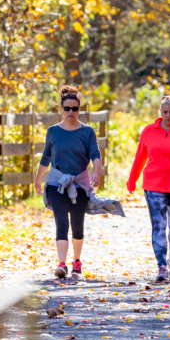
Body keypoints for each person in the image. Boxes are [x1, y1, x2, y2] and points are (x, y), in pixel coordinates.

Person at [126, 95, 170, 282]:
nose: (168, 115)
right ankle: (161, 265)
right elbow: (140, 157)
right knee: (159, 226)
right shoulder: (149, 131)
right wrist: (132, 179)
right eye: (165, 112)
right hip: (154, 185)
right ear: (160, 112)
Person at [34, 85, 103, 279]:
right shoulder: (53, 131)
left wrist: (96, 172)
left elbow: (95, 154)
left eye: (74, 108)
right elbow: (46, 156)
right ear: (61, 109)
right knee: (61, 222)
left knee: (78, 223)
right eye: (67, 108)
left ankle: (77, 260)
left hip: (80, 182)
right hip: (56, 182)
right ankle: (62, 264)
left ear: (79, 109)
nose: (70, 112)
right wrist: (38, 178)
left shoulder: (87, 131)